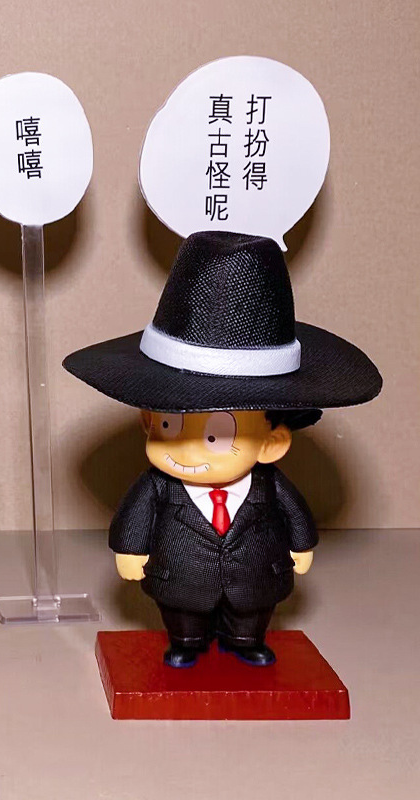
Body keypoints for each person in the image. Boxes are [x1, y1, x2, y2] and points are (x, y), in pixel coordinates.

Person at [63, 231, 381, 667]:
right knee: (183, 616)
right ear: (147, 420)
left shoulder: (270, 486)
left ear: (271, 444)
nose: (187, 452)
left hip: (256, 574)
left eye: (215, 437)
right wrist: (130, 549)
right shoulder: (159, 487)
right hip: (181, 575)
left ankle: (246, 639)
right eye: (169, 426)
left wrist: (301, 544)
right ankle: (186, 641)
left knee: (251, 614)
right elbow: (136, 514)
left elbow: (293, 511)